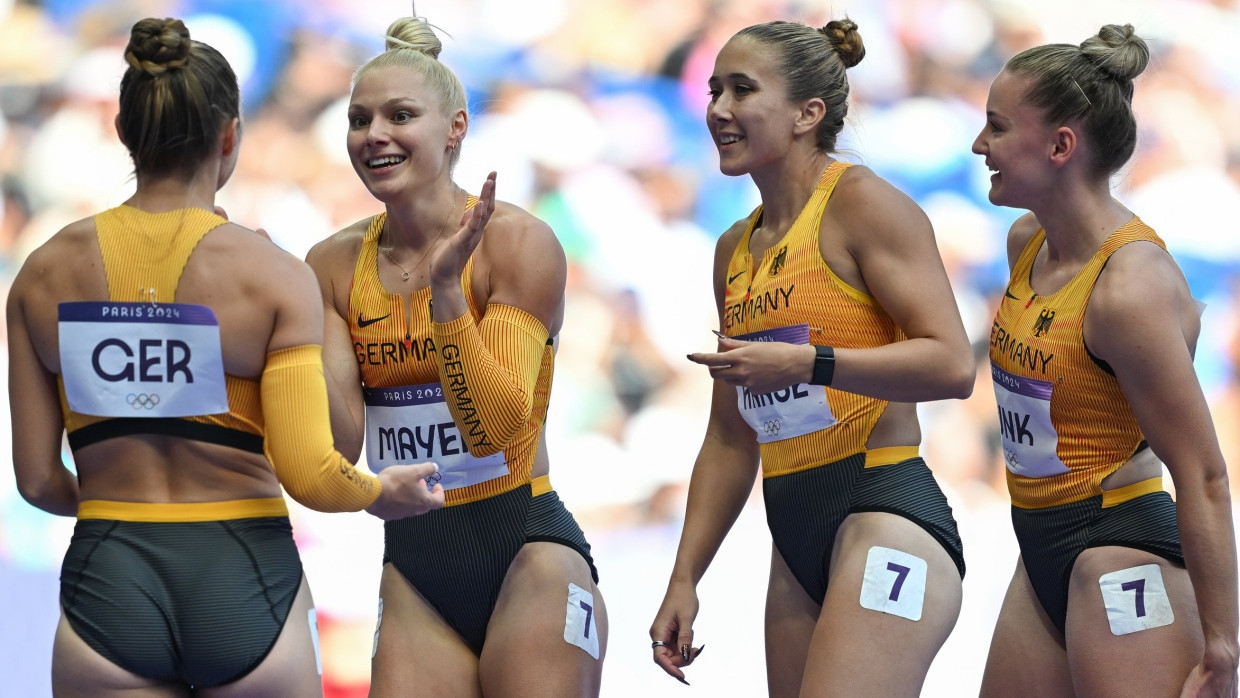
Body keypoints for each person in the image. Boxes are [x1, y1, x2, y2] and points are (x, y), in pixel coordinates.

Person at [6, 17, 444, 698]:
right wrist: (382, 494)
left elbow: (37, 481)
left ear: (124, 132)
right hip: (242, 580)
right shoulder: (268, 275)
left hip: (108, 585)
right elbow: (312, 474)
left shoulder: (41, 274)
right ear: (230, 136)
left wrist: (122, 510)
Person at [648, 18, 975, 697]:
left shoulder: (863, 205)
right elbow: (730, 436)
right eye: (714, 91)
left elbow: (951, 365)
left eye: (742, 90)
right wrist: (685, 575)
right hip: (793, 534)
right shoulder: (733, 249)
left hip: (884, 512)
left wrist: (812, 364)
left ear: (808, 113)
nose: (718, 110)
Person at [305, 16, 607, 697]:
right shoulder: (329, 265)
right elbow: (342, 440)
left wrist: (446, 291)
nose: (374, 134)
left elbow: (494, 429)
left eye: (400, 115)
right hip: (416, 566)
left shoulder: (518, 244)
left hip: (527, 547)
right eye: (359, 119)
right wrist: (291, 328)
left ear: (456, 128)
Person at [973, 24, 1238, 697]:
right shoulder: (1026, 241)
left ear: (1062, 145)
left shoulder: (1129, 288)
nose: (980, 146)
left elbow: (1204, 475)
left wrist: (1223, 646)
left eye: (998, 128)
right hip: (1038, 547)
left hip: (1122, 549)